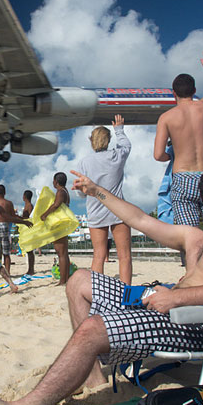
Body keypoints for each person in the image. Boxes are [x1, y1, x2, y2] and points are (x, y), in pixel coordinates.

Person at [0, 164, 203, 405]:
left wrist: (177, 298)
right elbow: (139, 220)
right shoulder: (196, 236)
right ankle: (94, 378)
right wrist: (96, 191)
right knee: (79, 280)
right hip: (166, 307)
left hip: (198, 324)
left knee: (92, 329)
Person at [153, 48, 203, 230]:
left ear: (173, 93)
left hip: (183, 176)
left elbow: (158, 155)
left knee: (189, 235)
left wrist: (171, 155)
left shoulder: (167, 118)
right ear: (194, 90)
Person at [79, 114, 133, 285]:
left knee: (99, 255)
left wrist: (82, 191)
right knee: (124, 256)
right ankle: (126, 294)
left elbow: (82, 193)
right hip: (118, 210)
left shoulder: (85, 162)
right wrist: (119, 130)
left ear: (91, 141)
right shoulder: (116, 156)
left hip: (96, 209)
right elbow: (126, 145)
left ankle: (98, 294)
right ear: (108, 140)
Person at [41, 173, 72, 286]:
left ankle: (63, 280)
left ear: (56, 181)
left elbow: (56, 205)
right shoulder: (65, 191)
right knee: (63, 253)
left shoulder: (60, 191)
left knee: (61, 253)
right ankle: (66, 278)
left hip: (60, 224)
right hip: (63, 223)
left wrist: (45, 214)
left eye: (53, 181)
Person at [0, 185, 17, 273]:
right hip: (4, 225)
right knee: (6, 253)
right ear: (5, 192)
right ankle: (7, 272)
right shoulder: (8, 203)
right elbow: (13, 217)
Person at [21, 190, 37, 275]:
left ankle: (31, 269)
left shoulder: (29, 205)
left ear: (24, 196)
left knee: (30, 251)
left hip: (29, 230)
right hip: (27, 229)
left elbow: (31, 218)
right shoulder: (27, 205)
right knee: (29, 251)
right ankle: (30, 269)